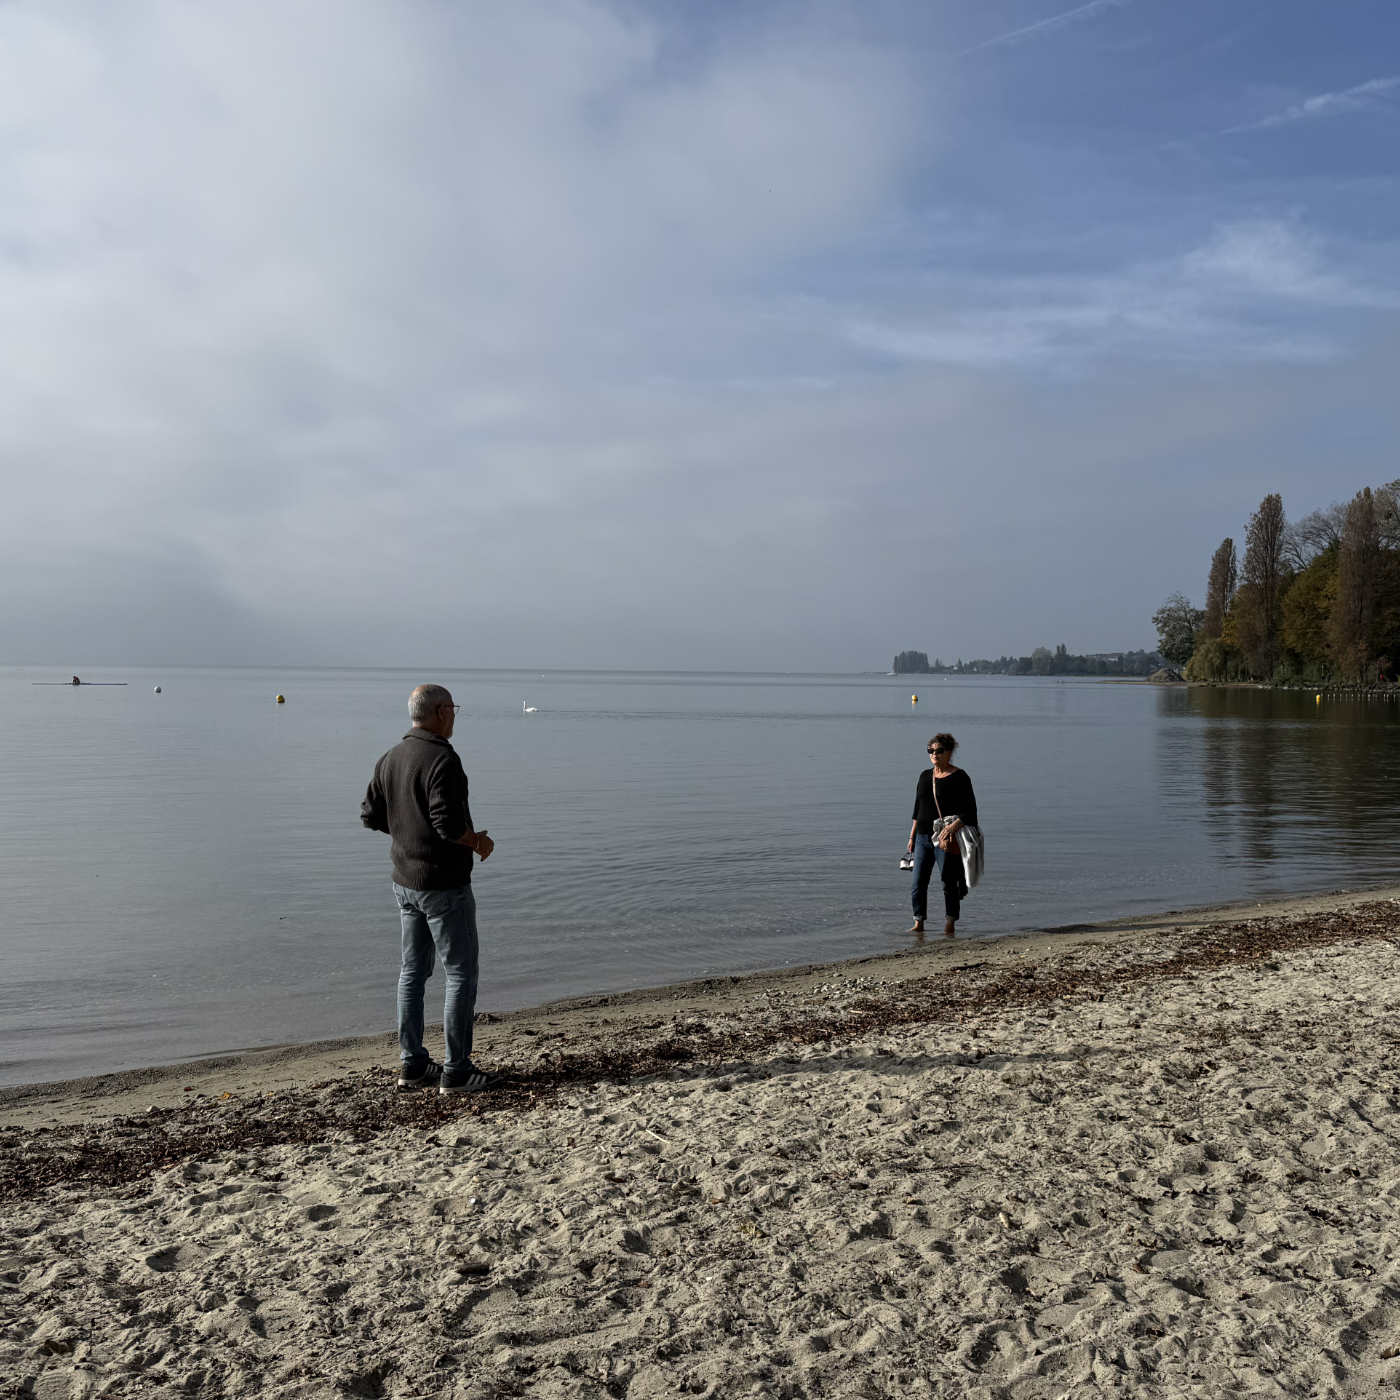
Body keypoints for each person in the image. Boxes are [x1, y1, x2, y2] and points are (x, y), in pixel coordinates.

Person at [361, 684, 501, 1094]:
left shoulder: (391, 757)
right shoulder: (443, 759)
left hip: (405, 882)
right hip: (443, 884)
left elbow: (370, 815)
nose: (455, 715)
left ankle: (413, 1064)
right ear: (440, 712)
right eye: (453, 708)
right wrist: (477, 842)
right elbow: (446, 823)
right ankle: (457, 1071)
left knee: (412, 973)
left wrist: (407, 833)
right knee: (460, 973)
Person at [906, 732, 978, 937]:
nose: (934, 754)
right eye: (930, 751)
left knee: (948, 882)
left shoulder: (960, 777)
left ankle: (950, 922)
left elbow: (970, 812)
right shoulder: (924, 776)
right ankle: (918, 921)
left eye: (939, 751)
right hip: (922, 837)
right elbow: (918, 809)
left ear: (949, 752)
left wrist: (950, 828)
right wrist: (911, 836)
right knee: (918, 882)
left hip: (946, 839)